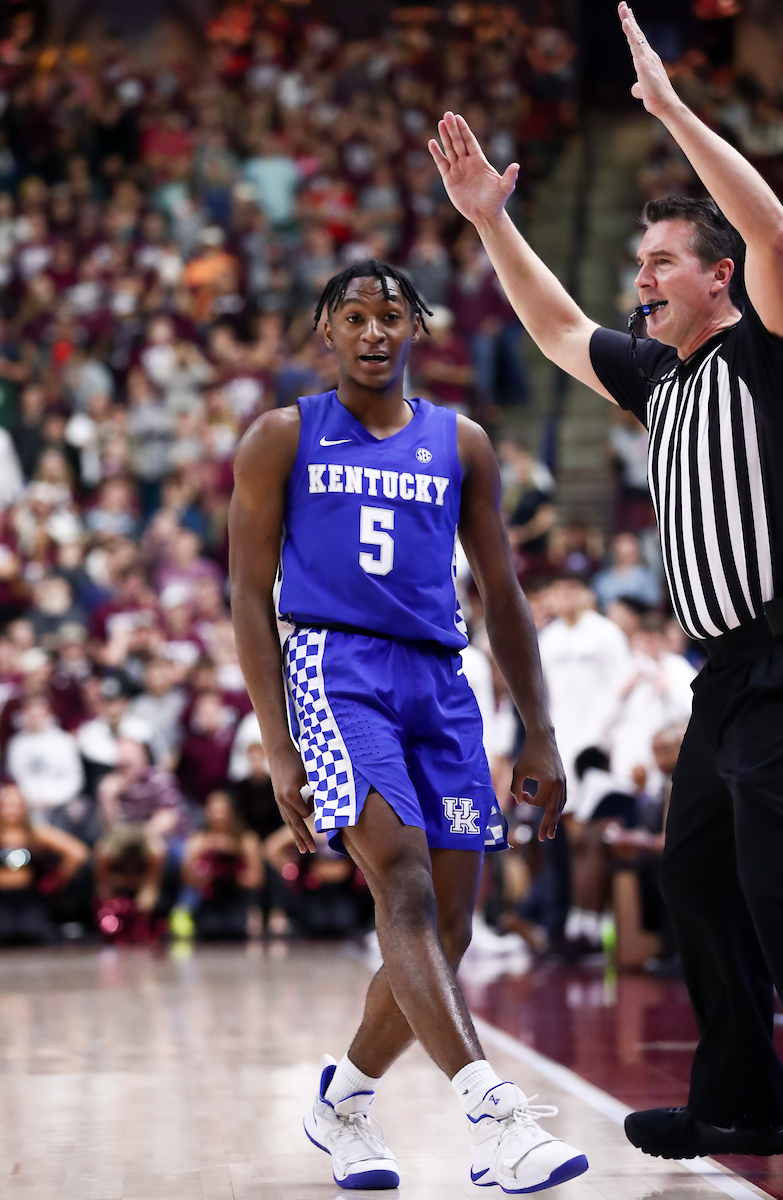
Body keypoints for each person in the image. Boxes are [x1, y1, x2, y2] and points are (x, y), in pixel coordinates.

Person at [429, 1, 783, 1160]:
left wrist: (672, 109)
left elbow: (772, 225)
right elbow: (554, 325)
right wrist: (491, 221)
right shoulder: (663, 380)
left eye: (662, 262)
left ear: (720, 277)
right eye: (638, 264)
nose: (642, 280)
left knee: (775, 889)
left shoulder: (763, 347)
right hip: (725, 673)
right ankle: (739, 1100)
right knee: (697, 885)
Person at [229, 259, 587, 1192]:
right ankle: (493, 1115)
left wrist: (540, 729)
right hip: (335, 669)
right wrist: (277, 745)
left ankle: (341, 1102)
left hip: (441, 679)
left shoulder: (459, 441)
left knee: (452, 929)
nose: (374, 332)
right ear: (327, 332)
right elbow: (245, 597)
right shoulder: (281, 436)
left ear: (417, 329)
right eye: (354, 316)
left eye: (391, 315)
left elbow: (501, 592)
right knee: (405, 885)